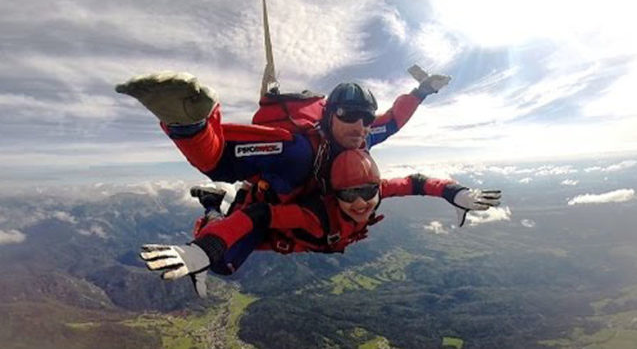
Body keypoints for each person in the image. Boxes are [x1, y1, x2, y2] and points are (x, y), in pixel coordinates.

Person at [140, 149, 501, 297]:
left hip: (295, 236)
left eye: (368, 192)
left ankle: (222, 201)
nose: (360, 203)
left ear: (377, 187)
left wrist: (455, 193)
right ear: (334, 194)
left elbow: (417, 182)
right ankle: (215, 205)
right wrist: (205, 247)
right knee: (226, 265)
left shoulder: (374, 192)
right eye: (348, 195)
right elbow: (259, 217)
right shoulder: (313, 213)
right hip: (267, 229)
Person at [115, 71, 451, 206]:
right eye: (350, 115)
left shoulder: (361, 137)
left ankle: (220, 201)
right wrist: (188, 124)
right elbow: (218, 160)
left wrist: (420, 92)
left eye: (365, 117)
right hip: (276, 203)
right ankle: (221, 203)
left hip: (311, 202)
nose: (361, 125)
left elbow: (392, 121)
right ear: (329, 115)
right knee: (255, 221)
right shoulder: (296, 150)